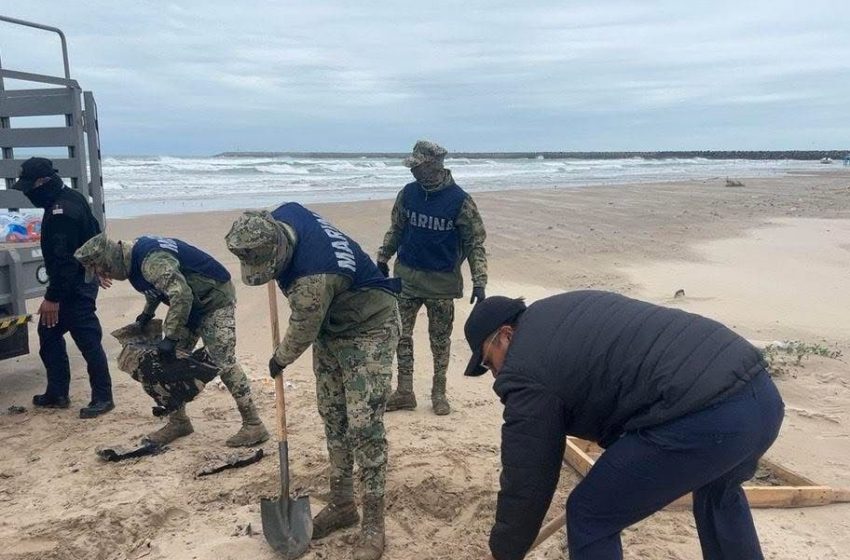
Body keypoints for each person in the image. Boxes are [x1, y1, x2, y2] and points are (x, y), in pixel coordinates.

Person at [463, 291, 785, 560]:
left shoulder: (525, 369)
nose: (495, 375)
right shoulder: (556, 313)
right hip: (759, 400)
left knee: (590, 514)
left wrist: (505, 550)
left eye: (488, 363)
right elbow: (622, 374)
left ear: (505, 336)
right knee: (719, 491)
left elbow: (528, 474)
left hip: (705, 416)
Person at [225, 203, 401, 560]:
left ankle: (372, 522)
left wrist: (278, 359)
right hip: (331, 327)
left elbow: (302, 330)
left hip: (369, 326)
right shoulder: (284, 213)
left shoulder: (313, 279)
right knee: (334, 416)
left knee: (364, 426)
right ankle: (342, 503)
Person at [73, 233, 269, 447]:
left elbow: (181, 294)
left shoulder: (151, 261)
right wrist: (147, 313)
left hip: (214, 301)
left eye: (102, 269)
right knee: (164, 363)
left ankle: (253, 424)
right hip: (189, 305)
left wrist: (171, 337)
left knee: (223, 360)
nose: (102, 275)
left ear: (110, 260)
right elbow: (157, 288)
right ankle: (179, 422)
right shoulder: (134, 259)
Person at [376, 140, 488, 415]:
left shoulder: (460, 201)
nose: (413, 172)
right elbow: (397, 229)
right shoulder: (408, 194)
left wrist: (480, 281)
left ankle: (439, 393)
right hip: (407, 278)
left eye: (418, 167)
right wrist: (382, 257)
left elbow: (475, 243)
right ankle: (404, 391)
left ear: (433, 166)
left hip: (442, 283)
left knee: (440, 340)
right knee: (400, 335)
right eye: (412, 167)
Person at [12, 157, 113, 418]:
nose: (28, 195)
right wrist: (98, 265)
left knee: (88, 340)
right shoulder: (72, 197)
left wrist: (52, 298)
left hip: (74, 287)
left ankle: (103, 397)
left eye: (29, 188)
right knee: (48, 335)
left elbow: (64, 262)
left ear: (43, 182)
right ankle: (57, 392)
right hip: (79, 279)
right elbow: (94, 232)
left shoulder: (61, 213)